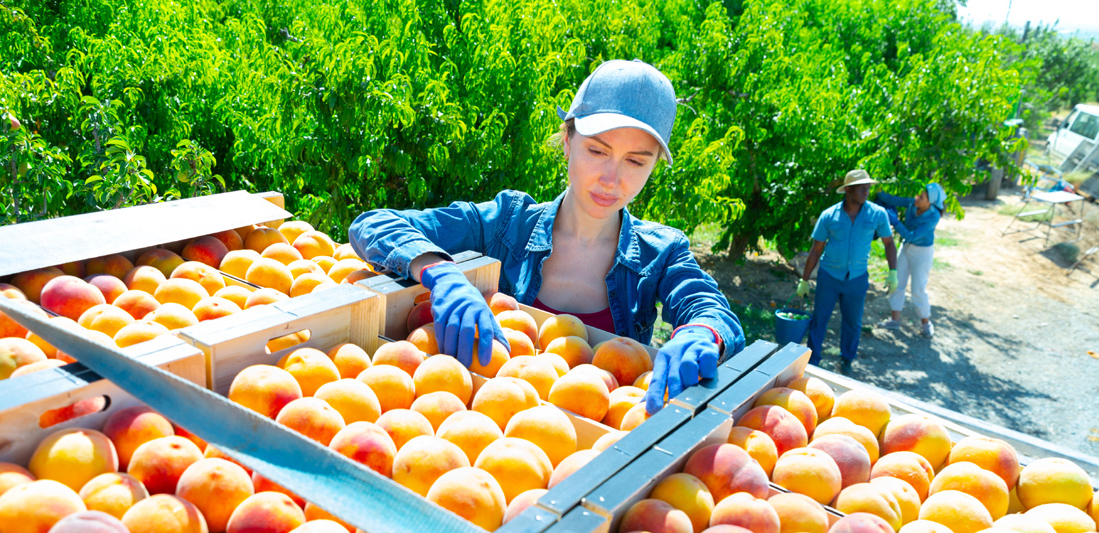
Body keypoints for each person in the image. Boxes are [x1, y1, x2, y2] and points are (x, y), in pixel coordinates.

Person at [349, 59, 745, 415]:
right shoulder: (508, 222)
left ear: (655, 165)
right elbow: (372, 224)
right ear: (568, 140)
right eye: (597, 151)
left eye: (635, 161)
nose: (611, 178)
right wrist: (439, 271)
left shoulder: (662, 253)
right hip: (482, 421)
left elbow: (709, 307)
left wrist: (701, 332)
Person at [796, 169, 897, 374]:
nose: (867, 191)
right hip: (829, 276)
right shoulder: (829, 216)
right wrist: (804, 280)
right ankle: (813, 360)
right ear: (848, 190)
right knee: (820, 319)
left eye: (868, 187)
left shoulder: (877, 214)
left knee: (853, 322)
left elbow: (888, 243)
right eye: (862, 188)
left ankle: (846, 360)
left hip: (857, 278)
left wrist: (893, 271)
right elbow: (816, 249)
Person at [874, 183, 945, 337]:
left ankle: (926, 323)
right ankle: (895, 320)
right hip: (906, 248)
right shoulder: (912, 203)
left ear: (930, 202)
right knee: (897, 283)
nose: (917, 198)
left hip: (922, 252)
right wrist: (877, 188)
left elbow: (911, 235)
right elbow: (892, 199)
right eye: (918, 194)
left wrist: (896, 222)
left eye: (922, 197)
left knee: (918, 288)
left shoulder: (933, 216)